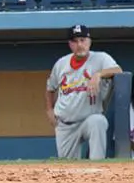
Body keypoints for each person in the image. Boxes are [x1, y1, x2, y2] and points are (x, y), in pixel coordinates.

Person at [45, 25, 123, 160]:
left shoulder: (101, 58)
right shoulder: (61, 64)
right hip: (65, 124)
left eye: (82, 40)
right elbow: (50, 88)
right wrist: (49, 110)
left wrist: (98, 74)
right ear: (70, 44)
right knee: (67, 169)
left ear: (89, 41)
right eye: (75, 41)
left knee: (99, 121)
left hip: (88, 119)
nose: (79, 45)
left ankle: (96, 168)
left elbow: (118, 70)